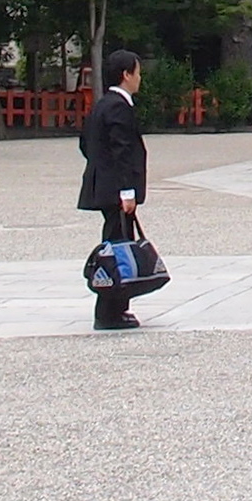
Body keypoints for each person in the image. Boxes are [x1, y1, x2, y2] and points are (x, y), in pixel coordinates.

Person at [76, 49, 150, 331]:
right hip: (117, 190)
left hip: (105, 185)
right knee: (118, 247)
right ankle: (110, 311)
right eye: (137, 73)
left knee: (116, 242)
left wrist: (100, 169)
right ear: (126, 75)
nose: (139, 79)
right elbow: (123, 151)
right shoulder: (119, 106)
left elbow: (86, 144)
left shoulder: (101, 104)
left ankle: (116, 307)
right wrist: (127, 190)